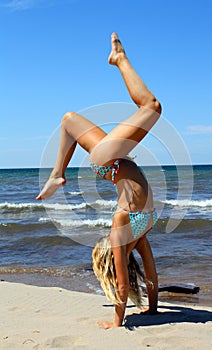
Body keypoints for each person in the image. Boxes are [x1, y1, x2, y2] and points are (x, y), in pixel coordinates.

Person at [36, 32, 162, 329]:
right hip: (114, 164)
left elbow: (127, 278)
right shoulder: (134, 231)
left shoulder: (125, 228)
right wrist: (149, 310)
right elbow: (145, 272)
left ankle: (57, 175)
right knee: (151, 107)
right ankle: (118, 59)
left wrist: (119, 321)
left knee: (71, 119)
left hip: (109, 162)